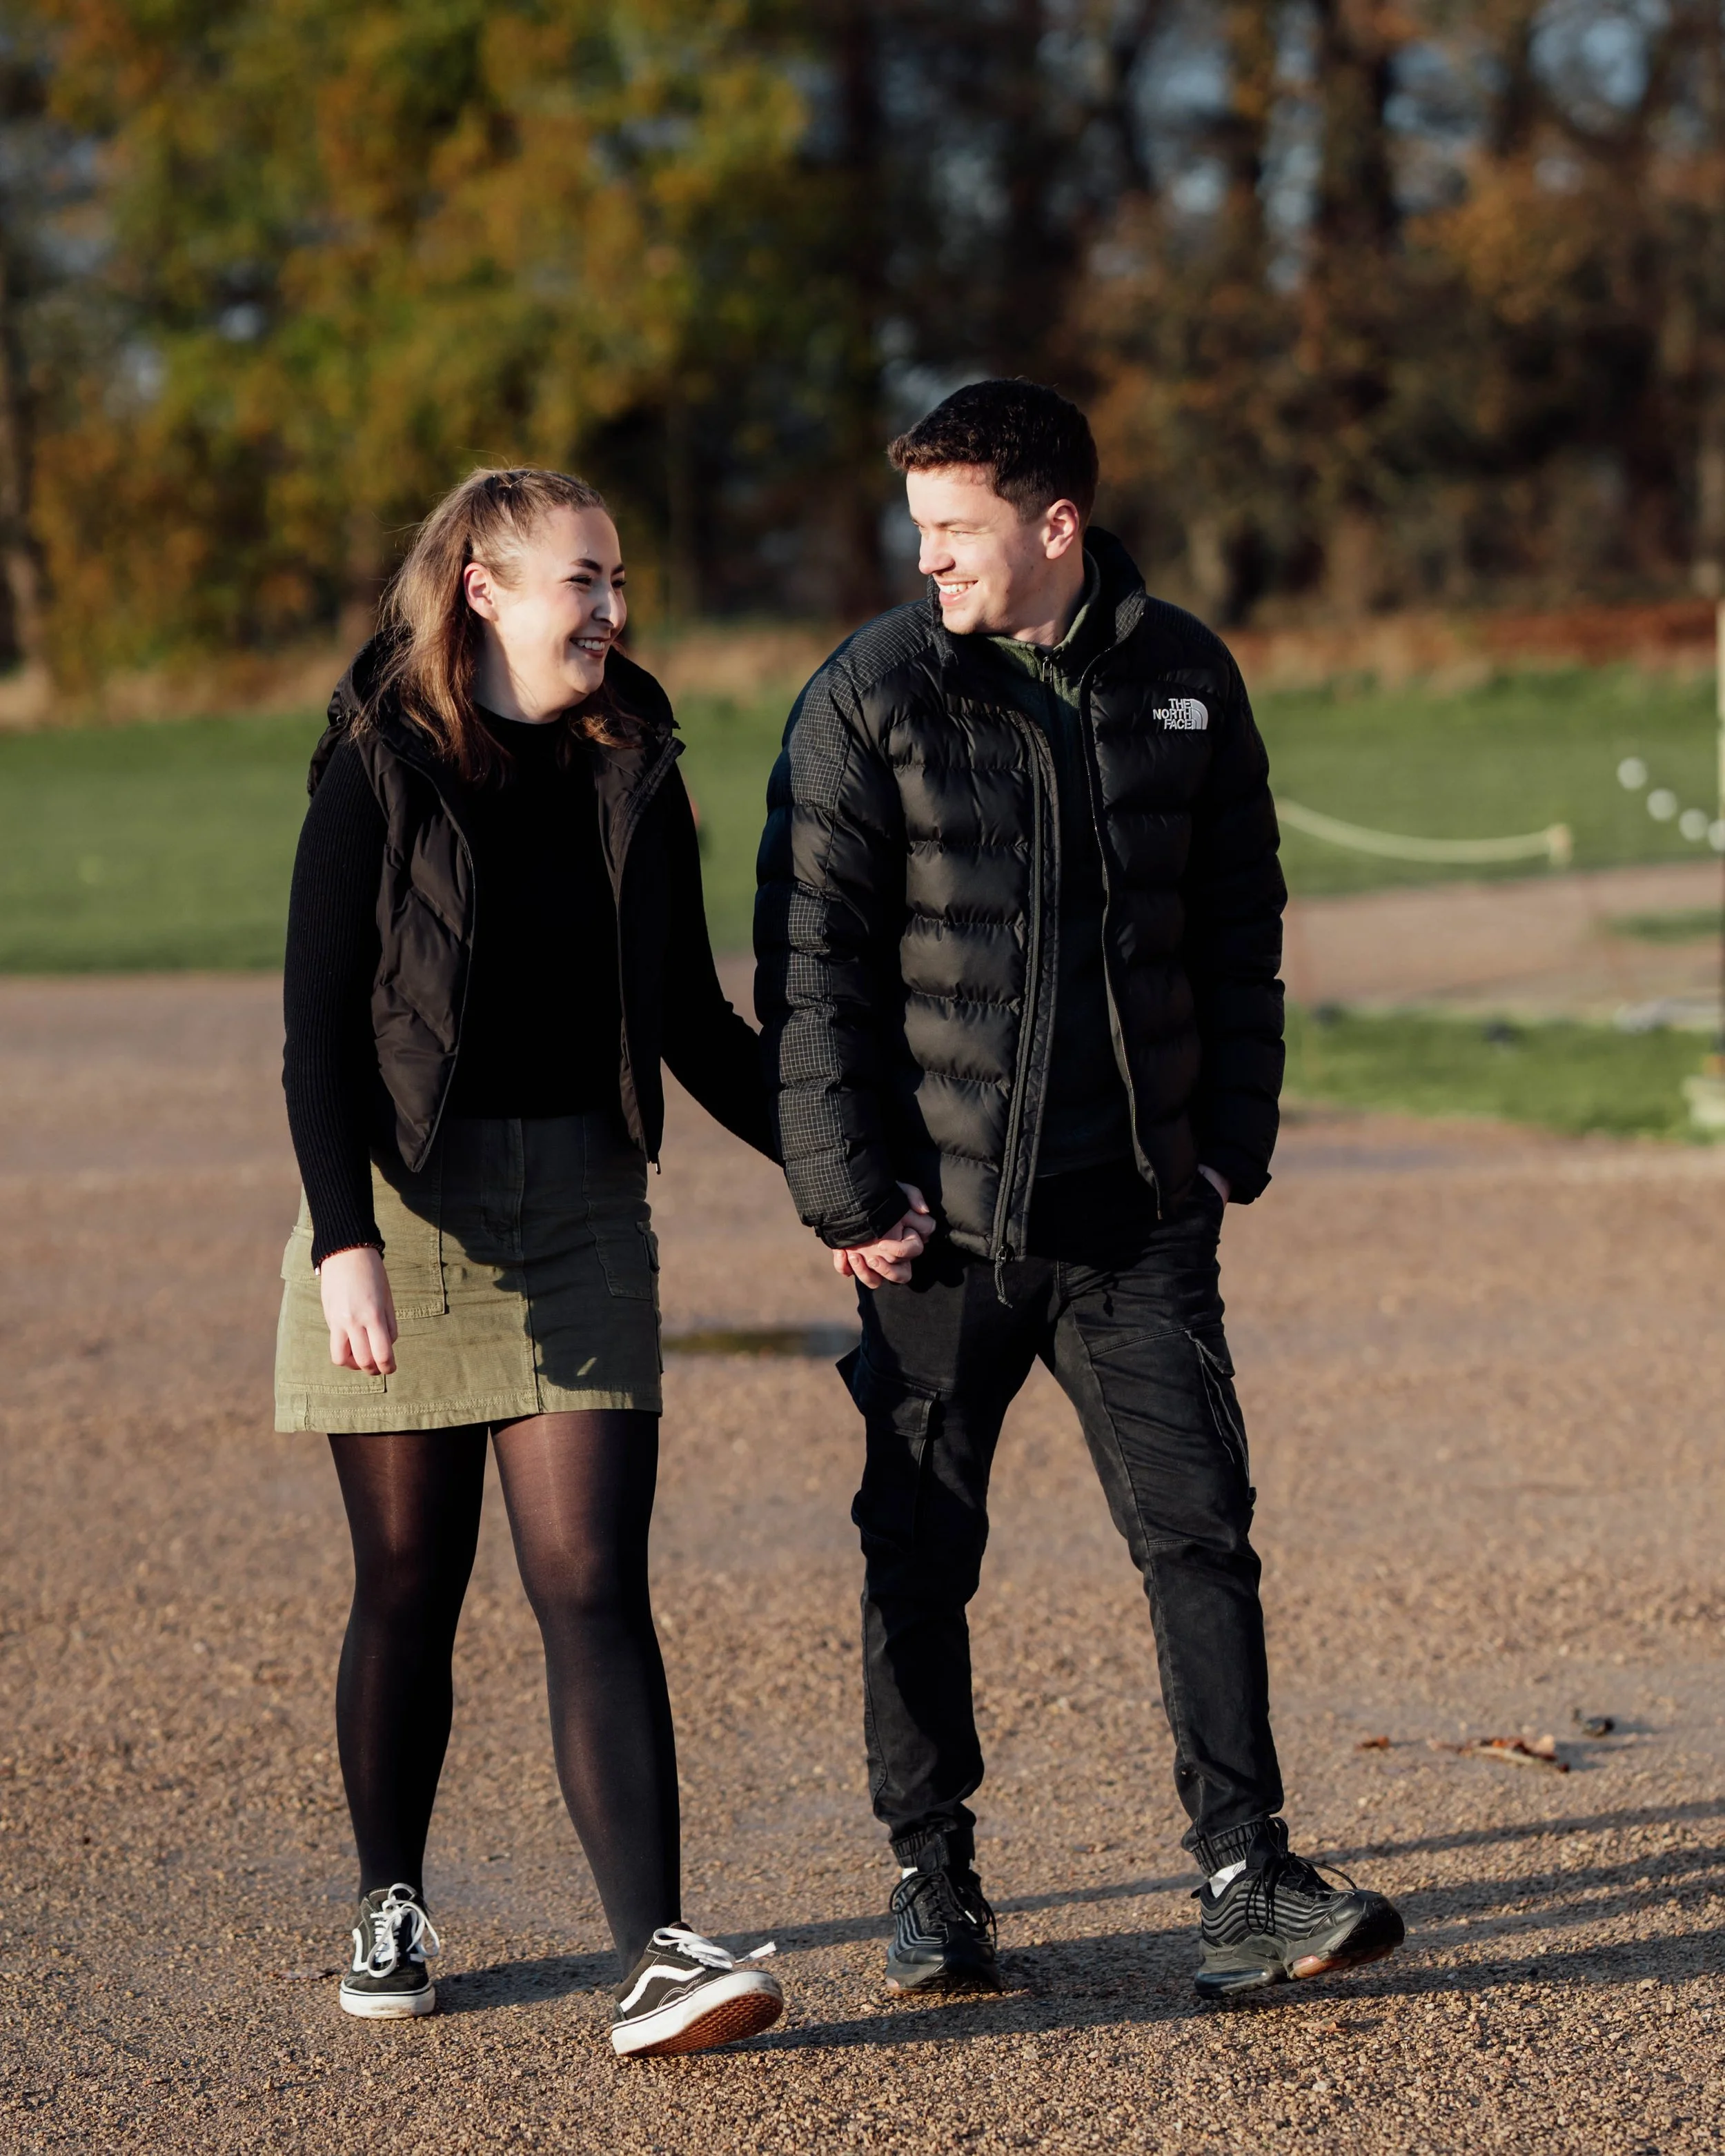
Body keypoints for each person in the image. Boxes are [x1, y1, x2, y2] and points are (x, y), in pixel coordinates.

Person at [755, 381, 1405, 2001]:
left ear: (1056, 524)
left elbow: (1239, 913)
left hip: (1134, 1219)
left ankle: (1245, 1874)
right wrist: (845, 1193)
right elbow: (809, 960)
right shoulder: (871, 693)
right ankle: (933, 1885)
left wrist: (1224, 1140)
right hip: (932, 1234)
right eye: (916, 533)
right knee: (917, 1552)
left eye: (954, 530)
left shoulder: (1181, 674)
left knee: (1200, 1535)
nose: (928, 563)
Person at [275, 466, 784, 2057]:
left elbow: (696, 1024)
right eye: (582, 580)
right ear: (481, 586)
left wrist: (844, 1180)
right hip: (406, 1209)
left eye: (618, 578)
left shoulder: (635, 760)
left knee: (591, 1583)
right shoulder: (378, 763)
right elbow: (313, 1031)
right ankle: (390, 1891)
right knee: (409, 1584)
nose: (612, 609)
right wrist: (343, 1239)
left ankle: (654, 1952)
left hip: (579, 1206)